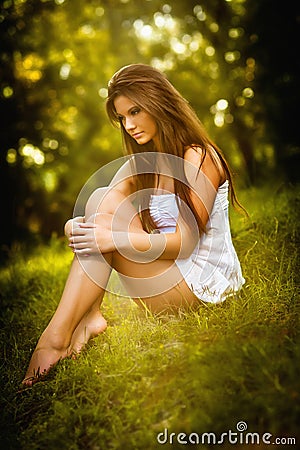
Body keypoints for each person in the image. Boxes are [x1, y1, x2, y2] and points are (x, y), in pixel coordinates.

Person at [22, 63, 245, 387]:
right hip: (165, 275)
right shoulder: (142, 164)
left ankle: (55, 339)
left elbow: (185, 242)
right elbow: (100, 212)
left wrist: (112, 238)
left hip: (200, 286)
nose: (128, 125)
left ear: (158, 102)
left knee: (108, 229)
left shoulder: (199, 156)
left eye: (135, 111)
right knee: (100, 196)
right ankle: (87, 319)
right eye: (122, 118)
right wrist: (75, 227)